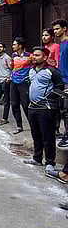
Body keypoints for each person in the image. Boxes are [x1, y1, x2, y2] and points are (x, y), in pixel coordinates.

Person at [23, 47, 62, 174]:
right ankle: (37, 158)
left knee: (48, 136)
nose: (34, 57)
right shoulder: (32, 70)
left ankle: (50, 162)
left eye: (38, 55)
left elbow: (59, 87)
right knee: (36, 134)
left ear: (45, 57)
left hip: (46, 108)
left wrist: (51, 98)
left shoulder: (52, 71)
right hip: (32, 107)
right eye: (33, 55)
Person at [10, 37, 31, 135]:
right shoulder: (14, 55)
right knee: (14, 104)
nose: (13, 46)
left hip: (24, 82)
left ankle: (33, 125)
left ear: (20, 46)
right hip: (14, 82)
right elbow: (12, 66)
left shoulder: (29, 56)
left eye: (14, 44)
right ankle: (19, 125)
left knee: (26, 105)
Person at [53, 19, 68, 148]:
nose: (55, 31)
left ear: (64, 28)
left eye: (58, 28)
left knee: (67, 110)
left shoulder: (67, 43)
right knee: (63, 109)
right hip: (61, 80)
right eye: (54, 29)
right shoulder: (61, 44)